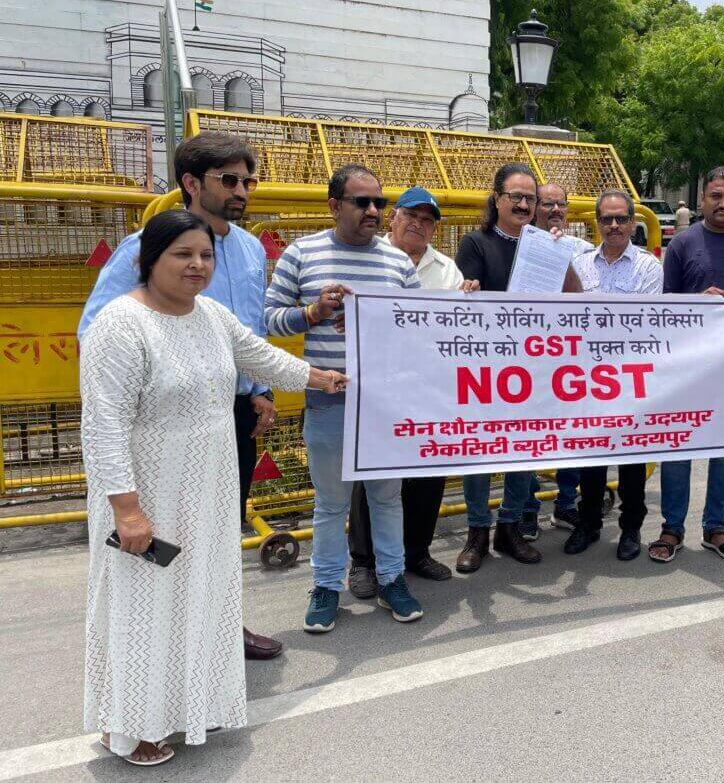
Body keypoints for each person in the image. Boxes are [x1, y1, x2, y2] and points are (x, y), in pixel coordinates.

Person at [82, 210, 345, 766]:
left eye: (205, 255)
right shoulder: (120, 325)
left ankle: (184, 708)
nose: (197, 265)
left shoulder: (212, 316)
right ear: (148, 259)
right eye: (182, 254)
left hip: (208, 492)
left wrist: (321, 378)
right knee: (143, 605)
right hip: (146, 497)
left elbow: (261, 357)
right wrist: (127, 511)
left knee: (199, 597)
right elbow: (103, 425)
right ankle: (125, 725)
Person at [78, 133, 284, 662]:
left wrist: (259, 390)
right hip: (165, 422)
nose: (242, 191)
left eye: (248, 181)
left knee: (221, 527)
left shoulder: (249, 248)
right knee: (164, 535)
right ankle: (160, 644)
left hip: (228, 414)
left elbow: (250, 330)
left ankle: (220, 630)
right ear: (191, 183)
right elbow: (96, 330)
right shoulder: (145, 247)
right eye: (229, 180)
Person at [265, 164, 424, 633]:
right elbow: (269, 319)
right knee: (331, 503)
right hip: (329, 402)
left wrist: (377, 323)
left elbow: (416, 329)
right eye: (362, 202)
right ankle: (326, 587)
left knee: (387, 499)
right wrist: (314, 312)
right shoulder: (302, 253)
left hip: (383, 404)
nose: (373, 210)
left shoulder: (398, 262)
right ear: (335, 205)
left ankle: (392, 579)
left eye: (379, 202)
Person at [346, 186, 480, 595]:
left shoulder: (447, 269)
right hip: (378, 387)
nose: (419, 225)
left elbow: (458, 326)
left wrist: (470, 303)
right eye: (412, 216)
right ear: (394, 218)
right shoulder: (370, 257)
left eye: (427, 220)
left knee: (429, 472)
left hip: (430, 388)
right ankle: (364, 562)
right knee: (373, 475)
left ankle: (417, 551)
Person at [452, 162, 581, 573]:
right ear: (497, 199)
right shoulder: (475, 243)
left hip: (532, 367)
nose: (524, 204)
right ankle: (477, 531)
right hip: (486, 369)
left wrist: (560, 255)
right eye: (516, 197)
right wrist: (467, 289)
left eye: (531, 198)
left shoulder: (546, 244)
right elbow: (463, 301)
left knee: (524, 450)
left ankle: (509, 527)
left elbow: (575, 298)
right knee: (480, 452)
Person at [650, 166, 724, 564]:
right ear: (702, 200)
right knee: (676, 446)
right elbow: (665, 304)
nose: (723, 202)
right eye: (715, 195)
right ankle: (672, 527)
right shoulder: (682, 243)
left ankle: (716, 526)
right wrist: (697, 302)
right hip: (686, 367)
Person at [565, 188, 664, 559]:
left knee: (632, 460)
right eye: (606, 218)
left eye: (621, 218)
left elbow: (642, 324)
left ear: (633, 222)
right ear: (597, 222)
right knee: (590, 459)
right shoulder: (580, 264)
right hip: (586, 378)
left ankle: (631, 528)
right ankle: (588, 523)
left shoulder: (648, 267)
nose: (614, 225)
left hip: (629, 377)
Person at [522, 180, 587, 540]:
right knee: (529, 437)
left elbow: (581, 297)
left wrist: (561, 254)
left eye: (561, 203)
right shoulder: (520, 244)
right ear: (535, 208)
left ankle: (565, 503)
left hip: (568, 360)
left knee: (571, 435)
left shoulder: (582, 248)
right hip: (528, 359)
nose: (555, 210)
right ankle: (528, 509)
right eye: (547, 204)